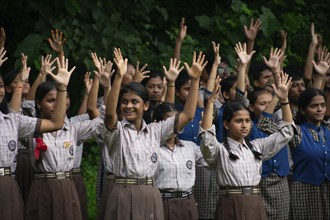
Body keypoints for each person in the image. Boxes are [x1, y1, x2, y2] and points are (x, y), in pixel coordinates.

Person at [102, 48, 207, 219]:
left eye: (134, 102)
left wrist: (195, 80)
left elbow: (187, 115)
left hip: (150, 192)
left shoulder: (155, 131)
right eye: (124, 102)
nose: (129, 106)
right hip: (122, 191)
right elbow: (109, 114)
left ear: (145, 106)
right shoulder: (117, 131)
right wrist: (119, 77)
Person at [199, 69, 294, 219]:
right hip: (230, 202)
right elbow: (206, 138)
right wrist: (210, 103)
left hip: (255, 201)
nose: (244, 125)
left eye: (247, 121)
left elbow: (286, 133)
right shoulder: (220, 150)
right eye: (238, 121)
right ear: (226, 124)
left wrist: (284, 100)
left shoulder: (257, 147)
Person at [0, 56, 73, 220]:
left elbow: (56, 122)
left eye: (0, 86)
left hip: (6, 184)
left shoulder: (12, 121)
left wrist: (62, 88)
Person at [153, 103, 207, 220]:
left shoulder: (190, 147)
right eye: (169, 121)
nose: (175, 125)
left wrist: (206, 129)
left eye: (177, 120)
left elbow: (211, 157)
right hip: (162, 202)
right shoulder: (151, 148)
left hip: (188, 202)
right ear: (157, 123)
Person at [288, 88, 330, 219]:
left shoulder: (327, 131)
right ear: (302, 110)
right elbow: (287, 123)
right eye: (314, 106)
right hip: (304, 190)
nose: (319, 109)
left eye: (322, 105)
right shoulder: (297, 132)